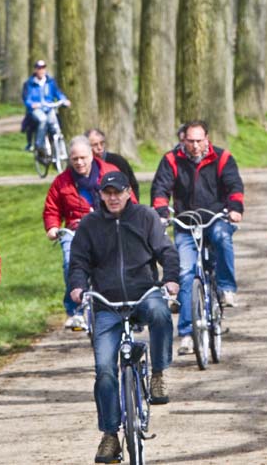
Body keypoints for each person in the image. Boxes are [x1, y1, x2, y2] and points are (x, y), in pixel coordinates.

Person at [68, 171, 180, 463]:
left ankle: (158, 373)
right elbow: (78, 261)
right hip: (107, 304)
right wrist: (78, 287)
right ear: (101, 195)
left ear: (129, 192)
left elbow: (166, 252)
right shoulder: (90, 225)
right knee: (104, 370)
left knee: (159, 311)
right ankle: (109, 435)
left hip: (144, 293)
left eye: (118, 191)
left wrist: (170, 279)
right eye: (107, 192)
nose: (113, 197)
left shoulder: (145, 217)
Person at [150, 119, 244, 355]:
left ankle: (225, 287)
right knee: (184, 271)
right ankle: (185, 334)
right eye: (190, 141)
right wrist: (161, 213)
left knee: (223, 238)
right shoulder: (171, 160)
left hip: (215, 219)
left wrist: (234, 209)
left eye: (198, 141)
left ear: (207, 139)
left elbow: (234, 186)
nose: (194, 146)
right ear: (184, 140)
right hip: (186, 223)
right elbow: (160, 189)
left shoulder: (222, 158)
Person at [43, 135, 133, 329]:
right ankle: (75, 310)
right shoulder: (62, 182)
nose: (79, 162)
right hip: (76, 230)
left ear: (92, 155)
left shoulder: (110, 172)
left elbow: (129, 198)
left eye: (83, 157)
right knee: (71, 262)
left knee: (121, 261)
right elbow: (52, 209)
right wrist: (52, 227)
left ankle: (124, 304)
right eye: (75, 159)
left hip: (107, 226)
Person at [21, 59, 71, 155]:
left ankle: (57, 149)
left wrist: (64, 100)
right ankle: (38, 145)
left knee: (55, 125)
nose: (41, 70)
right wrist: (32, 104)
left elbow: (58, 93)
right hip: (36, 109)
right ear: (35, 70)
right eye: (39, 68)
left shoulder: (50, 82)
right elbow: (26, 98)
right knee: (42, 120)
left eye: (43, 68)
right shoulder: (29, 84)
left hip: (49, 108)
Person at [85, 128, 141, 202]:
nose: (99, 148)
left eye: (102, 143)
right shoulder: (81, 166)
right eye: (95, 145)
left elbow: (132, 185)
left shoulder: (117, 161)